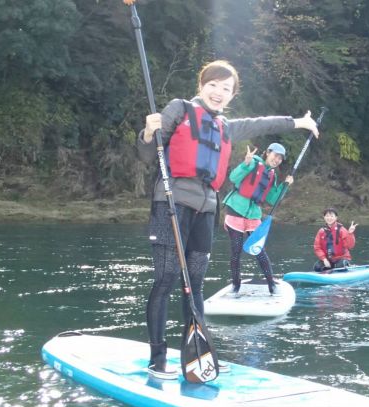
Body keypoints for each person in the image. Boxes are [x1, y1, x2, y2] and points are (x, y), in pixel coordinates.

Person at [136, 60, 319, 379]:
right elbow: (147, 154)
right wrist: (149, 132)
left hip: (207, 209)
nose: (219, 92)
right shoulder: (178, 110)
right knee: (166, 277)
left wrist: (299, 122)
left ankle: (195, 358)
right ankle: (157, 358)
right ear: (201, 84)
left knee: (194, 284)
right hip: (172, 202)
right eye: (214, 85)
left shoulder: (227, 127)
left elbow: (262, 123)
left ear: (232, 95)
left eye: (226, 88)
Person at [222, 142, 293, 294]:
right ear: (268, 152)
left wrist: (285, 185)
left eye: (280, 158)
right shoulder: (253, 162)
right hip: (236, 208)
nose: (277, 160)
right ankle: (236, 284)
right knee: (236, 250)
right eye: (275, 155)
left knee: (259, 251)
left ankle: (271, 284)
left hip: (254, 214)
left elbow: (273, 199)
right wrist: (246, 163)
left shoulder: (272, 175)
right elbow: (233, 177)